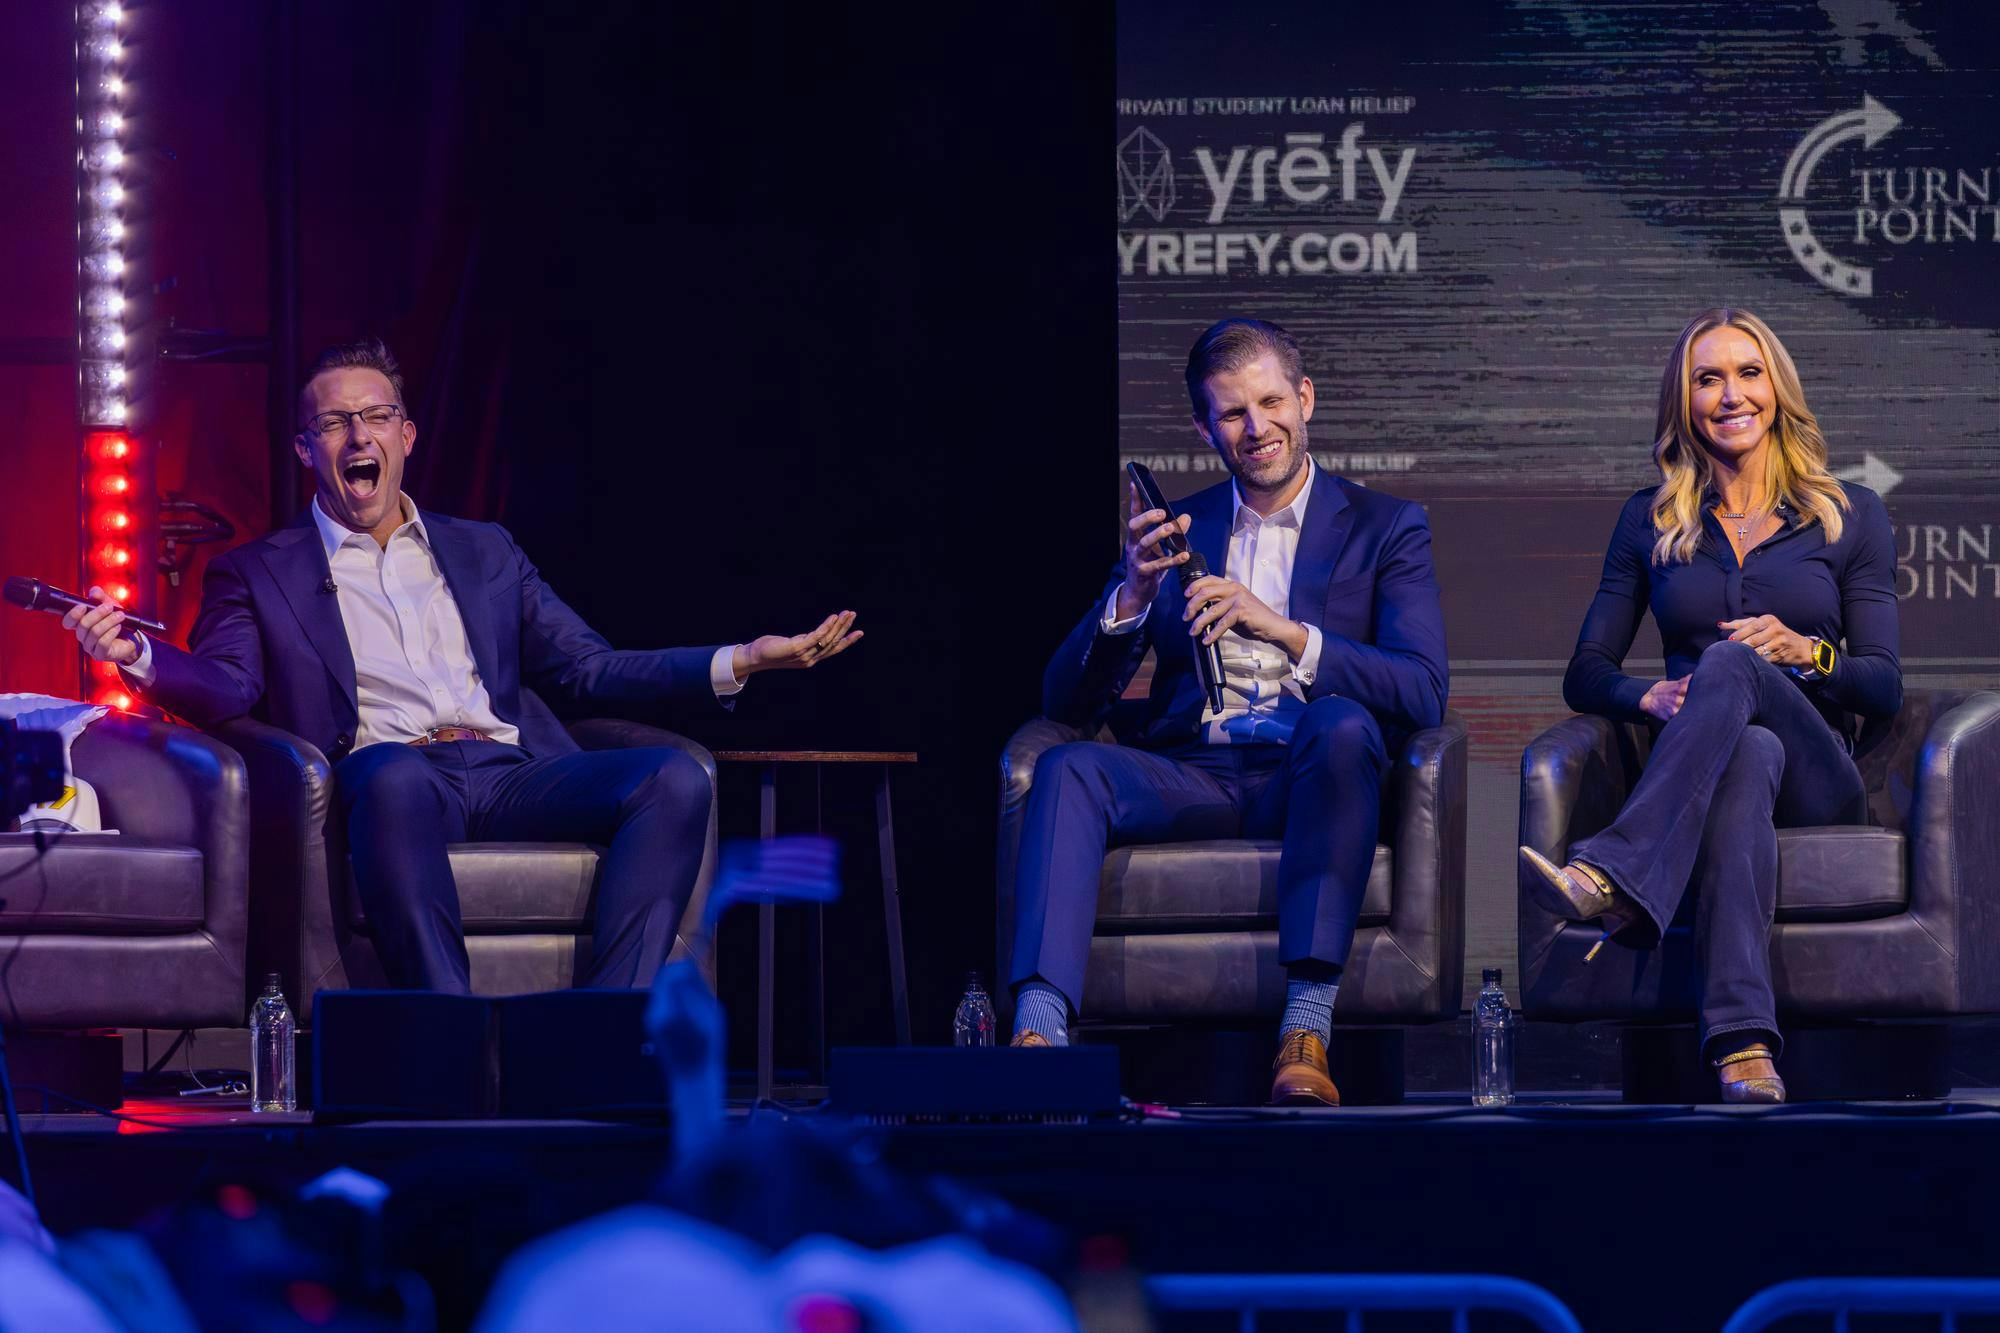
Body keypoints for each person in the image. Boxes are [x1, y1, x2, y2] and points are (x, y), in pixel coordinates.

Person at [64, 336, 861, 993]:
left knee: (675, 777)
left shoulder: (485, 549)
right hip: (392, 779)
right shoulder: (259, 569)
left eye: (376, 416)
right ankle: (450, 1030)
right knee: (393, 774)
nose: (358, 436)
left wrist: (740, 660)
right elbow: (228, 684)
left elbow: (589, 668)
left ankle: (604, 1030)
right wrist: (135, 652)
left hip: (508, 771)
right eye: (336, 422)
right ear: (308, 447)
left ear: (406, 436)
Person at [1006, 317, 1449, 1105]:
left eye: (1272, 402)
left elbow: (1422, 689)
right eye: (1233, 413)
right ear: (1204, 425)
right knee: (1069, 765)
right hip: (1198, 772)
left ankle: (1305, 1029)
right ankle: (1040, 1033)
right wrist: (1131, 597)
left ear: (1305, 398)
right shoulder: (1183, 527)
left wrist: (1282, 630)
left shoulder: (1386, 525)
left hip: (1311, 771)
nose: (1258, 427)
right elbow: (1063, 704)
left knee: (1342, 723)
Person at [1520, 307, 1901, 1103]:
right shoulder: (1651, 520)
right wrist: (1649, 694)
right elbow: (1586, 672)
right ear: (1683, 401)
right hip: (1717, 764)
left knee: (1737, 668)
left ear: (1778, 389)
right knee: (1744, 756)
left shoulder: (1849, 512)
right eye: (1708, 379)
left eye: (1749, 373)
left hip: (1819, 777)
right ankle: (1742, 1044)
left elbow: (1883, 684)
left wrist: (1807, 651)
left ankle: (1611, 869)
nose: (1732, 395)